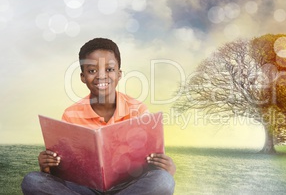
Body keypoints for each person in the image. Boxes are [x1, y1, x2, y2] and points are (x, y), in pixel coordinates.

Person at [21, 38, 176, 195]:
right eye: (92, 71)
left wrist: (166, 167)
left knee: (163, 181)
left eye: (109, 69)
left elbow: (150, 161)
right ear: (83, 77)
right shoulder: (71, 114)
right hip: (85, 188)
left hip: (129, 186)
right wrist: (47, 167)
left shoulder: (138, 110)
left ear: (119, 74)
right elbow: (66, 170)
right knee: (32, 181)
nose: (101, 76)